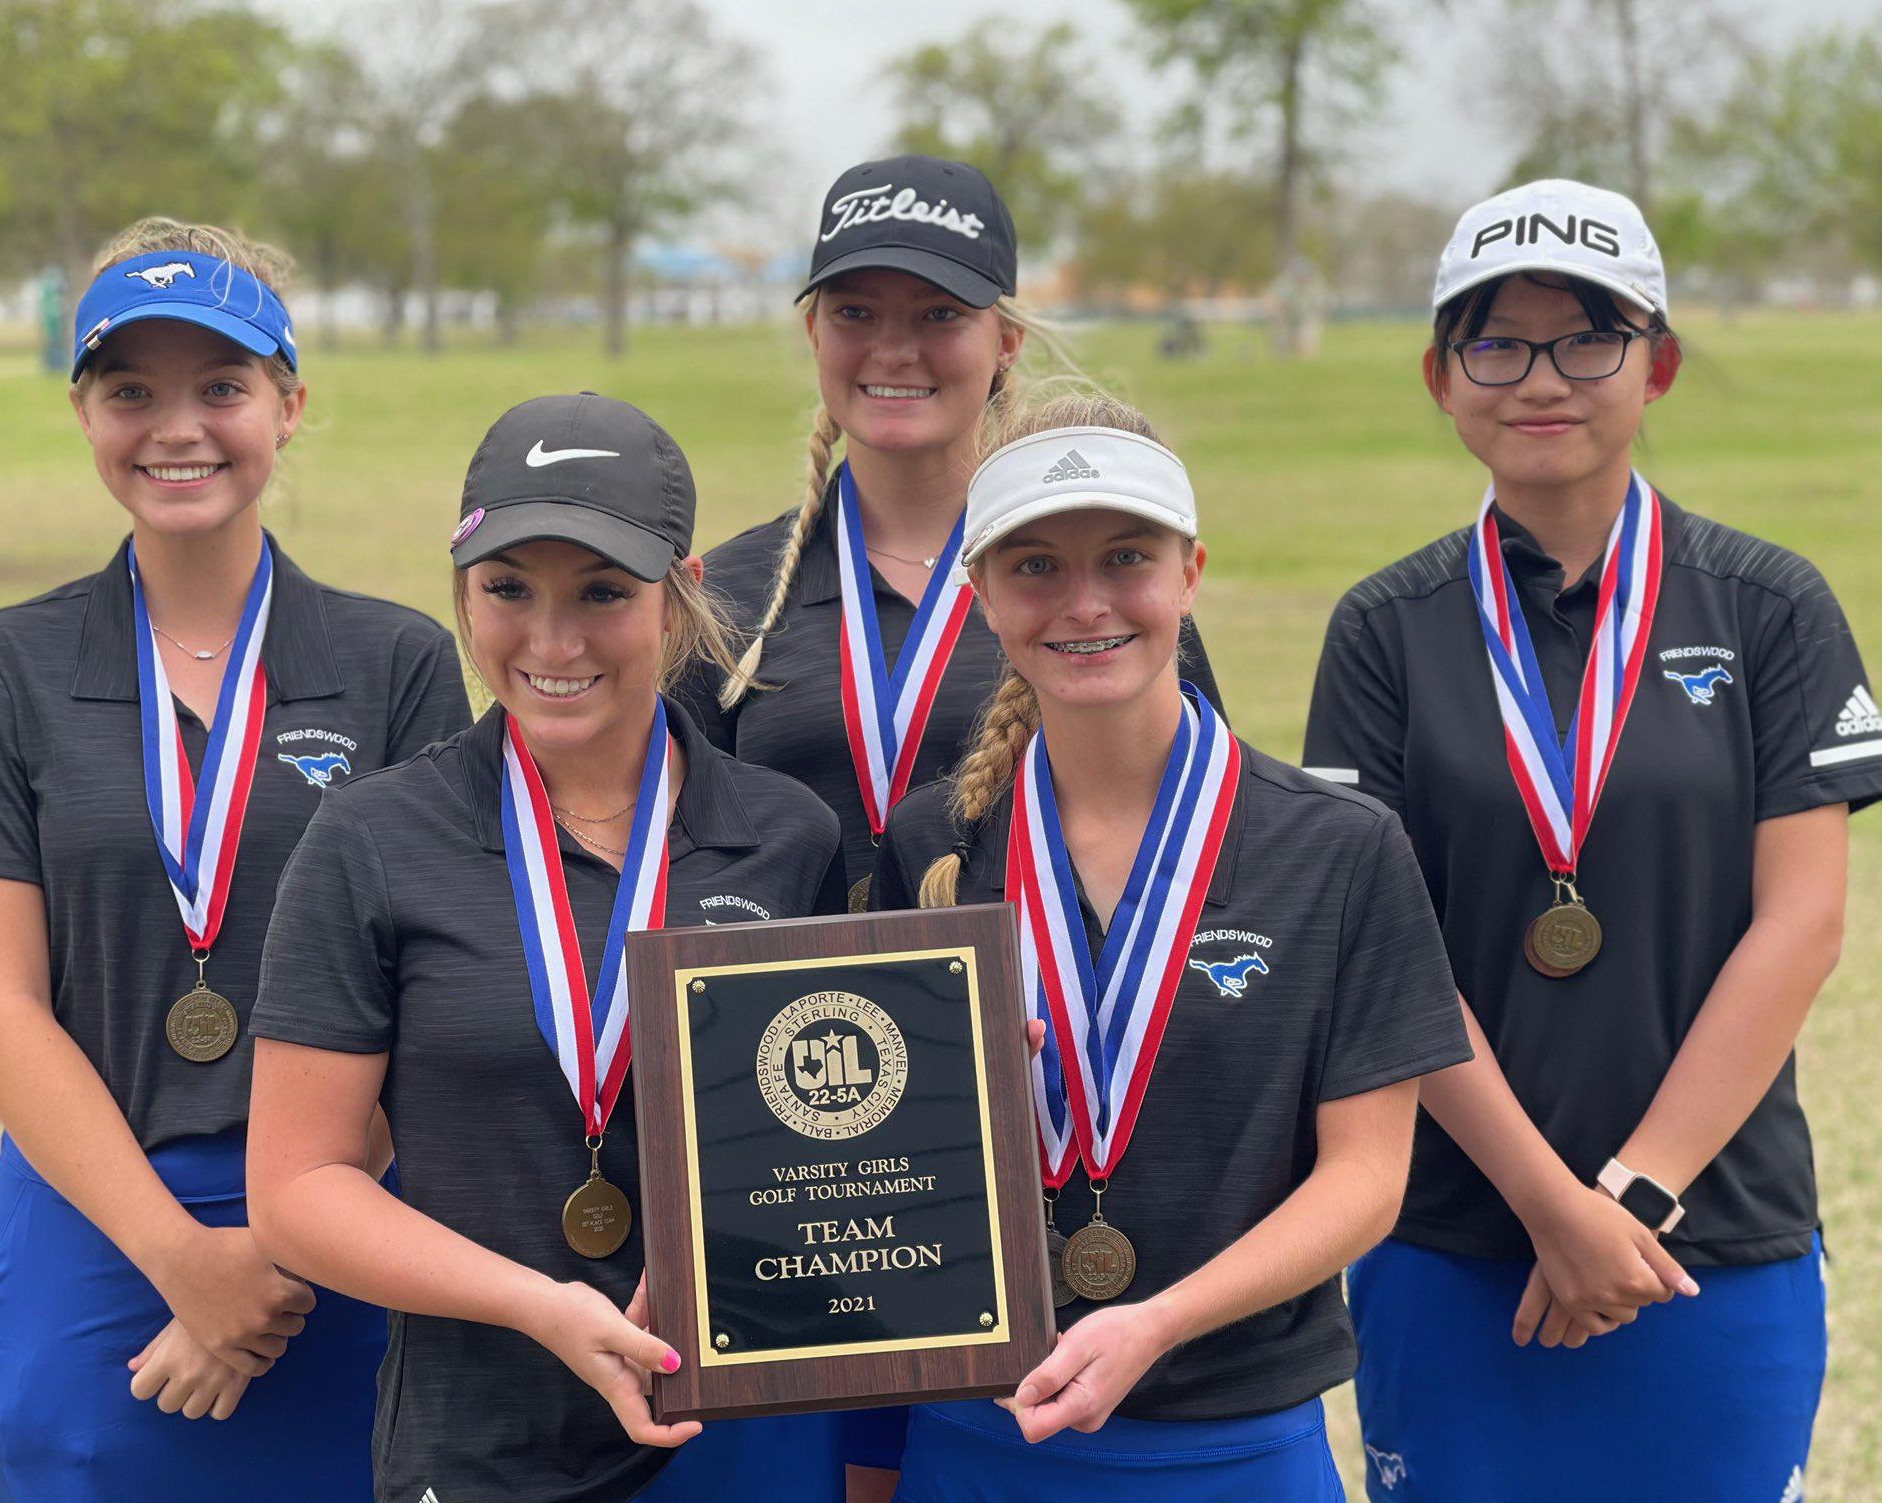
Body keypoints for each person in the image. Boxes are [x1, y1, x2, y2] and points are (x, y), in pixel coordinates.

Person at [1304, 179, 1881, 1503]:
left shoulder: (1769, 607)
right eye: (1497, 342)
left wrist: (1631, 1198)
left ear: (1658, 365)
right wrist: (1551, 1208)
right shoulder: (1384, 629)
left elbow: (1801, 926)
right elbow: (1388, 957)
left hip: (1704, 1239)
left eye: (1589, 337)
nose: (1540, 378)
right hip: (1454, 1240)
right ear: (1441, 377)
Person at [0, 218, 472, 1501]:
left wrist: (274, 1271)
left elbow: (436, 994)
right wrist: (181, 1258)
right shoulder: (1, 668)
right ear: (84, 413)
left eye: (221, 387)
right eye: (133, 392)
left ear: (286, 404)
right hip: (96, 1192)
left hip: (350, 1187)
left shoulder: (393, 663)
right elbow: (1, 1010)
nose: (178, 428)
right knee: (67, 1451)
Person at [244, 394, 848, 1503]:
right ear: (463, 589)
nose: (551, 641)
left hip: (741, 1430)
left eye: (603, 593)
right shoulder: (371, 839)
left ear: (681, 596)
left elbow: (836, 1125)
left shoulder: (786, 836)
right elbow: (296, 1189)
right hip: (480, 1435)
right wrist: (537, 1303)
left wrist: (959, 1074)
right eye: (508, 589)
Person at [873, 393, 1473, 1501]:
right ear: (980, 597)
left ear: (1189, 574)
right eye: (1035, 566)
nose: (1085, 602)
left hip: (1235, 1443)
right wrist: (934, 1103)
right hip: (976, 1443)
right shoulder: (930, 844)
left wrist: (1156, 1323)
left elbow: (1365, 1181)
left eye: (1125, 558)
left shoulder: (1337, 849)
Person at [683, 154, 1226, 915]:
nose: (896, 350)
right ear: (813, 331)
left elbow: (1205, 825)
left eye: (939, 314)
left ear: (1005, 339)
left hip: (1060, 1018)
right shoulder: (733, 597)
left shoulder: (1102, 592)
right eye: (854, 313)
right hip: (804, 1032)